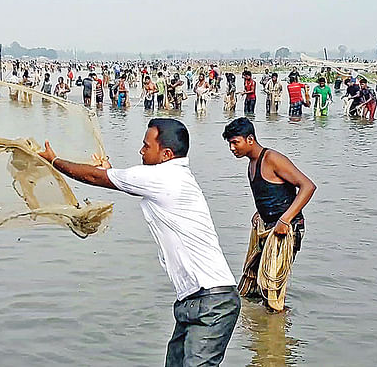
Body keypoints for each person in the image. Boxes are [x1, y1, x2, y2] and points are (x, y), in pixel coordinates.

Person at [39, 118, 240, 366]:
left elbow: (94, 177)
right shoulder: (169, 177)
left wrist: (53, 161)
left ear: (166, 154)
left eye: (146, 146)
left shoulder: (165, 177)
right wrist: (109, 172)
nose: (141, 151)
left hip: (212, 303)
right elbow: (119, 180)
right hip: (195, 300)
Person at [222, 117, 316, 311]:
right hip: (266, 225)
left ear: (250, 139)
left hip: (285, 228)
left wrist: (285, 220)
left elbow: (307, 186)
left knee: (272, 286)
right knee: (252, 282)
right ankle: (259, 331)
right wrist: (260, 211)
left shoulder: (271, 158)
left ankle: (277, 332)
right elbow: (274, 191)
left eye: (235, 142)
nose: (232, 148)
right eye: (229, 143)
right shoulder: (251, 164)